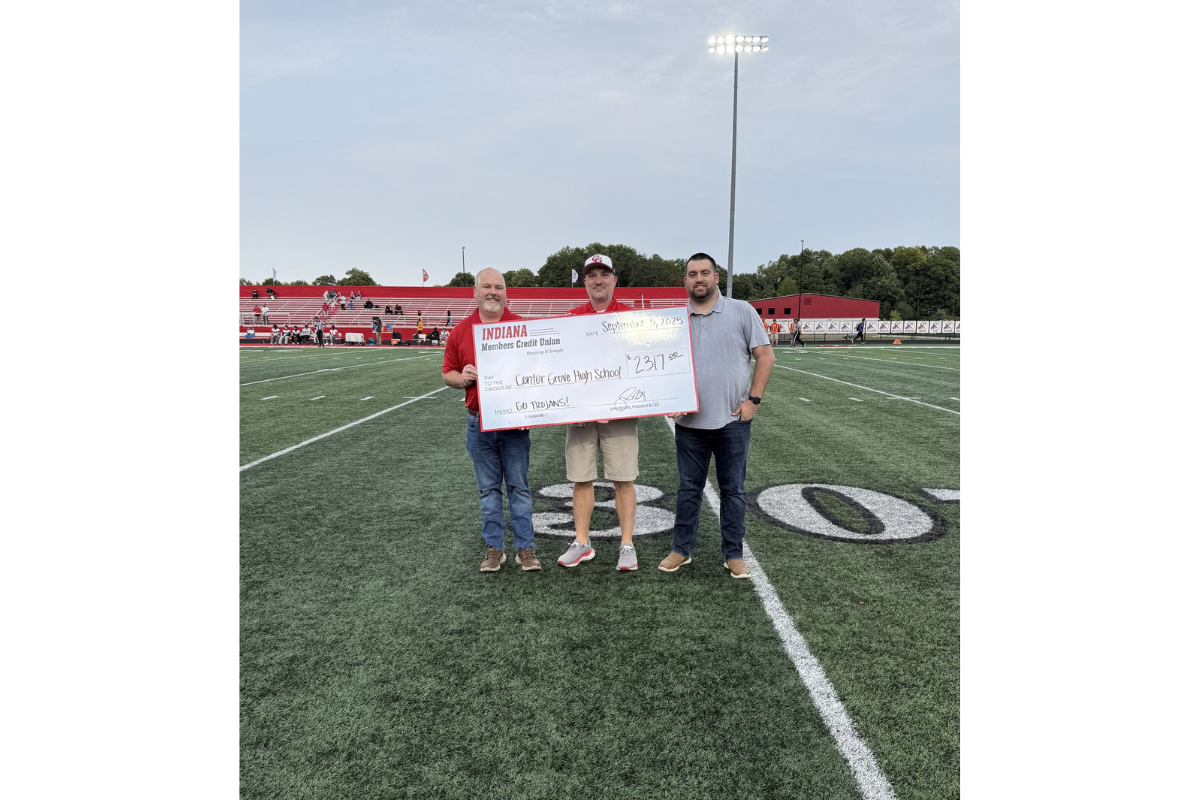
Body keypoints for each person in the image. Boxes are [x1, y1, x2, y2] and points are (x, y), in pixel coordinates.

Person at [660, 253, 774, 579]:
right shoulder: (674, 318)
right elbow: (661, 366)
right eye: (692, 274)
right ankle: (681, 550)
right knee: (688, 489)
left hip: (732, 421)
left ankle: (733, 553)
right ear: (685, 280)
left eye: (705, 273)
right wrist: (670, 397)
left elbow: (765, 356)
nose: (699, 279)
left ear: (716, 277)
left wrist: (753, 400)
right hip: (690, 423)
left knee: (733, 490)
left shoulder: (741, 311)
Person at [442, 268, 540, 572]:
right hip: (478, 422)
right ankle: (495, 547)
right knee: (488, 490)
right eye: (487, 286)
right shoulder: (461, 331)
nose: (493, 292)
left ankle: (525, 547)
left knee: (519, 488)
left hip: (513, 424)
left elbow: (536, 375)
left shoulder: (521, 328)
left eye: (498, 287)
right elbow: (448, 373)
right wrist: (463, 378)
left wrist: (530, 410)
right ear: (475, 292)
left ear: (506, 293)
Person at [556, 253, 641, 571]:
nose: (598, 279)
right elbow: (560, 365)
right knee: (581, 478)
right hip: (581, 413)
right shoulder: (571, 318)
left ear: (614, 279)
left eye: (603, 273)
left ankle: (627, 544)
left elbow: (642, 368)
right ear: (585, 282)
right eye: (591, 275)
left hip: (619, 412)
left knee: (623, 478)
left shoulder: (631, 319)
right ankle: (582, 542)